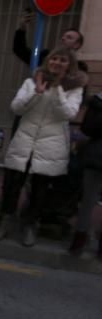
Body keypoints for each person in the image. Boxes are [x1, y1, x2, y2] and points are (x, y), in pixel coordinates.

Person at [0, 47, 86, 246]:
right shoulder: (32, 81)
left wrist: (58, 89)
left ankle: (30, 225)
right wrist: (36, 93)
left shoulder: (74, 88)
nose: (57, 63)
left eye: (63, 60)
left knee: (39, 189)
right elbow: (16, 108)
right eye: (55, 59)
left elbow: (68, 114)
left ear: (69, 65)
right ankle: (5, 221)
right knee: (13, 184)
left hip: (50, 145)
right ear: (48, 61)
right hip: (24, 141)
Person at [71, 89, 102, 256]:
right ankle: (79, 239)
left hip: (95, 155)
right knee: (88, 201)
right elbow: (87, 128)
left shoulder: (96, 102)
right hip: (97, 157)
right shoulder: (97, 102)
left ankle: (80, 240)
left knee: (88, 201)